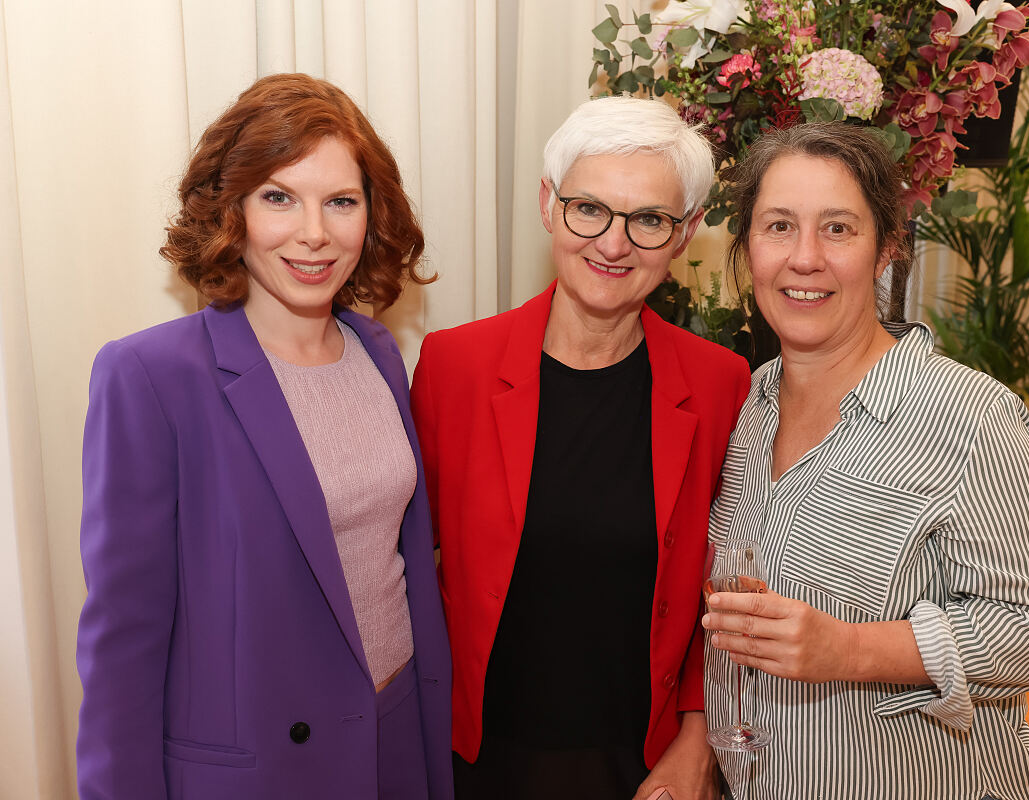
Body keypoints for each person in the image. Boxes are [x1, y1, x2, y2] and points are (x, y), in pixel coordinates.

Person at [76, 73, 451, 799]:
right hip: (264, 769)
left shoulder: (377, 350)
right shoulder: (149, 376)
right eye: (279, 197)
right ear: (232, 209)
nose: (314, 233)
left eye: (340, 201)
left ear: (370, 216)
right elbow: (123, 645)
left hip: (393, 735)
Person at [700, 122, 1029, 800]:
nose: (805, 258)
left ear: (886, 251)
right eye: (779, 226)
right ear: (748, 247)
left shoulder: (970, 417)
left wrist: (848, 650)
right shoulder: (746, 404)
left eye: (838, 229)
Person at [411, 95, 751, 800]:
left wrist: (695, 737)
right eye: (588, 208)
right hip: (474, 760)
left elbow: (724, 589)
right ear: (548, 205)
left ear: (684, 235)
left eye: (648, 220)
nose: (613, 243)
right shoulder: (455, 367)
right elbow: (407, 574)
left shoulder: (720, 384)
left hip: (640, 764)